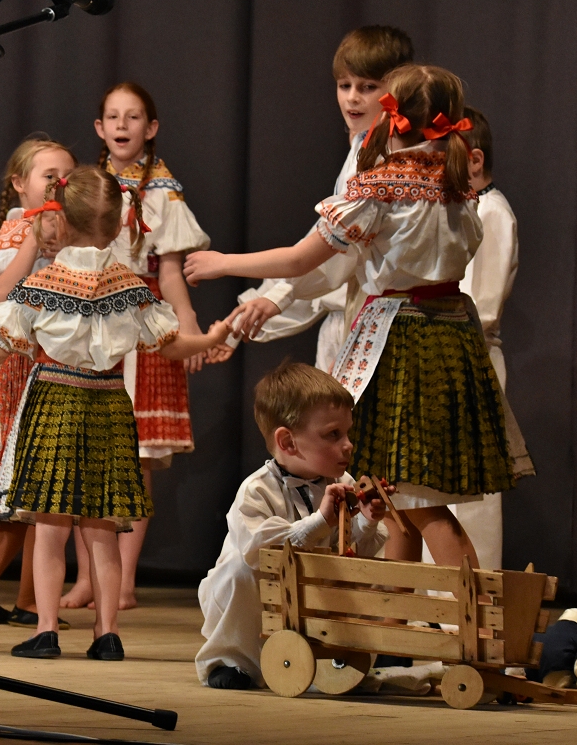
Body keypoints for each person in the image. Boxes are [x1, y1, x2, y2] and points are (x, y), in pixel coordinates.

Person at [184, 63, 534, 570]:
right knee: (396, 495)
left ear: (392, 118)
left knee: (419, 500)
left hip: (400, 338)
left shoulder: (383, 189)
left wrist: (223, 263)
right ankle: (397, 603)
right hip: (448, 335)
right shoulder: (457, 187)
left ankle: (473, 612)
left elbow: (300, 260)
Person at [0, 165, 230, 660]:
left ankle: (46, 628)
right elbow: (171, 344)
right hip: (108, 403)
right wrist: (211, 338)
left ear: (61, 221)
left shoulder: (44, 283)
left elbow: (0, 347)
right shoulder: (130, 286)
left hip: (55, 401)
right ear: (118, 224)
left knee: (51, 527)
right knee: (102, 529)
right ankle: (106, 633)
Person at [62, 82, 223, 612]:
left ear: (150, 128)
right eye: (113, 116)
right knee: (85, 455)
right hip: (90, 316)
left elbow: (170, 271)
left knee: (134, 459)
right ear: (99, 127)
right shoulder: (89, 185)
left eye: (133, 117)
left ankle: (123, 579)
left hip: (139, 319)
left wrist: (188, 326)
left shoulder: (162, 191)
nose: (122, 125)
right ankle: (88, 579)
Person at [228, 26, 414, 369]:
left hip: (389, 318)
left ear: (397, 90)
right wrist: (271, 298)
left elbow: (335, 251)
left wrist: (270, 292)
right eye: (345, 85)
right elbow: (329, 237)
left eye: (368, 87)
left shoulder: (384, 160)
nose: (352, 98)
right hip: (362, 312)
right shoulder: (362, 146)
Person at [195, 362, 389, 689]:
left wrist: (367, 522)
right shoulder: (257, 489)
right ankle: (232, 661)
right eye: (333, 434)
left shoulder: (344, 482)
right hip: (264, 596)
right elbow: (259, 551)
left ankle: (340, 657)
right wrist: (321, 520)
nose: (348, 445)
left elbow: (353, 550)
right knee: (237, 572)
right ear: (287, 442)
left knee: (368, 573)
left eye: (347, 433)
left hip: (313, 591)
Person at [0, 136, 76, 629]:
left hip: (47, 365)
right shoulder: (20, 231)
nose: (59, 184)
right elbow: (0, 295)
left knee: (36, 494)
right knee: (33, 490)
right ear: (20, 184)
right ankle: (17, 598)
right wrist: (37, 243)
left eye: (67, 176)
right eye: (49, 176)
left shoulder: (61, 229)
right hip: (24, 370)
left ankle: (4, 593)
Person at [437, 106, 518, 571]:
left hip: (471, 358)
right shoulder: (465, 209)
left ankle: (469, 596)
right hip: (451, 356)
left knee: (470, 490)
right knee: (439, 486)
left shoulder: (493, 212)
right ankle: (434, 595)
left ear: (474, 160)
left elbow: (482, 306)